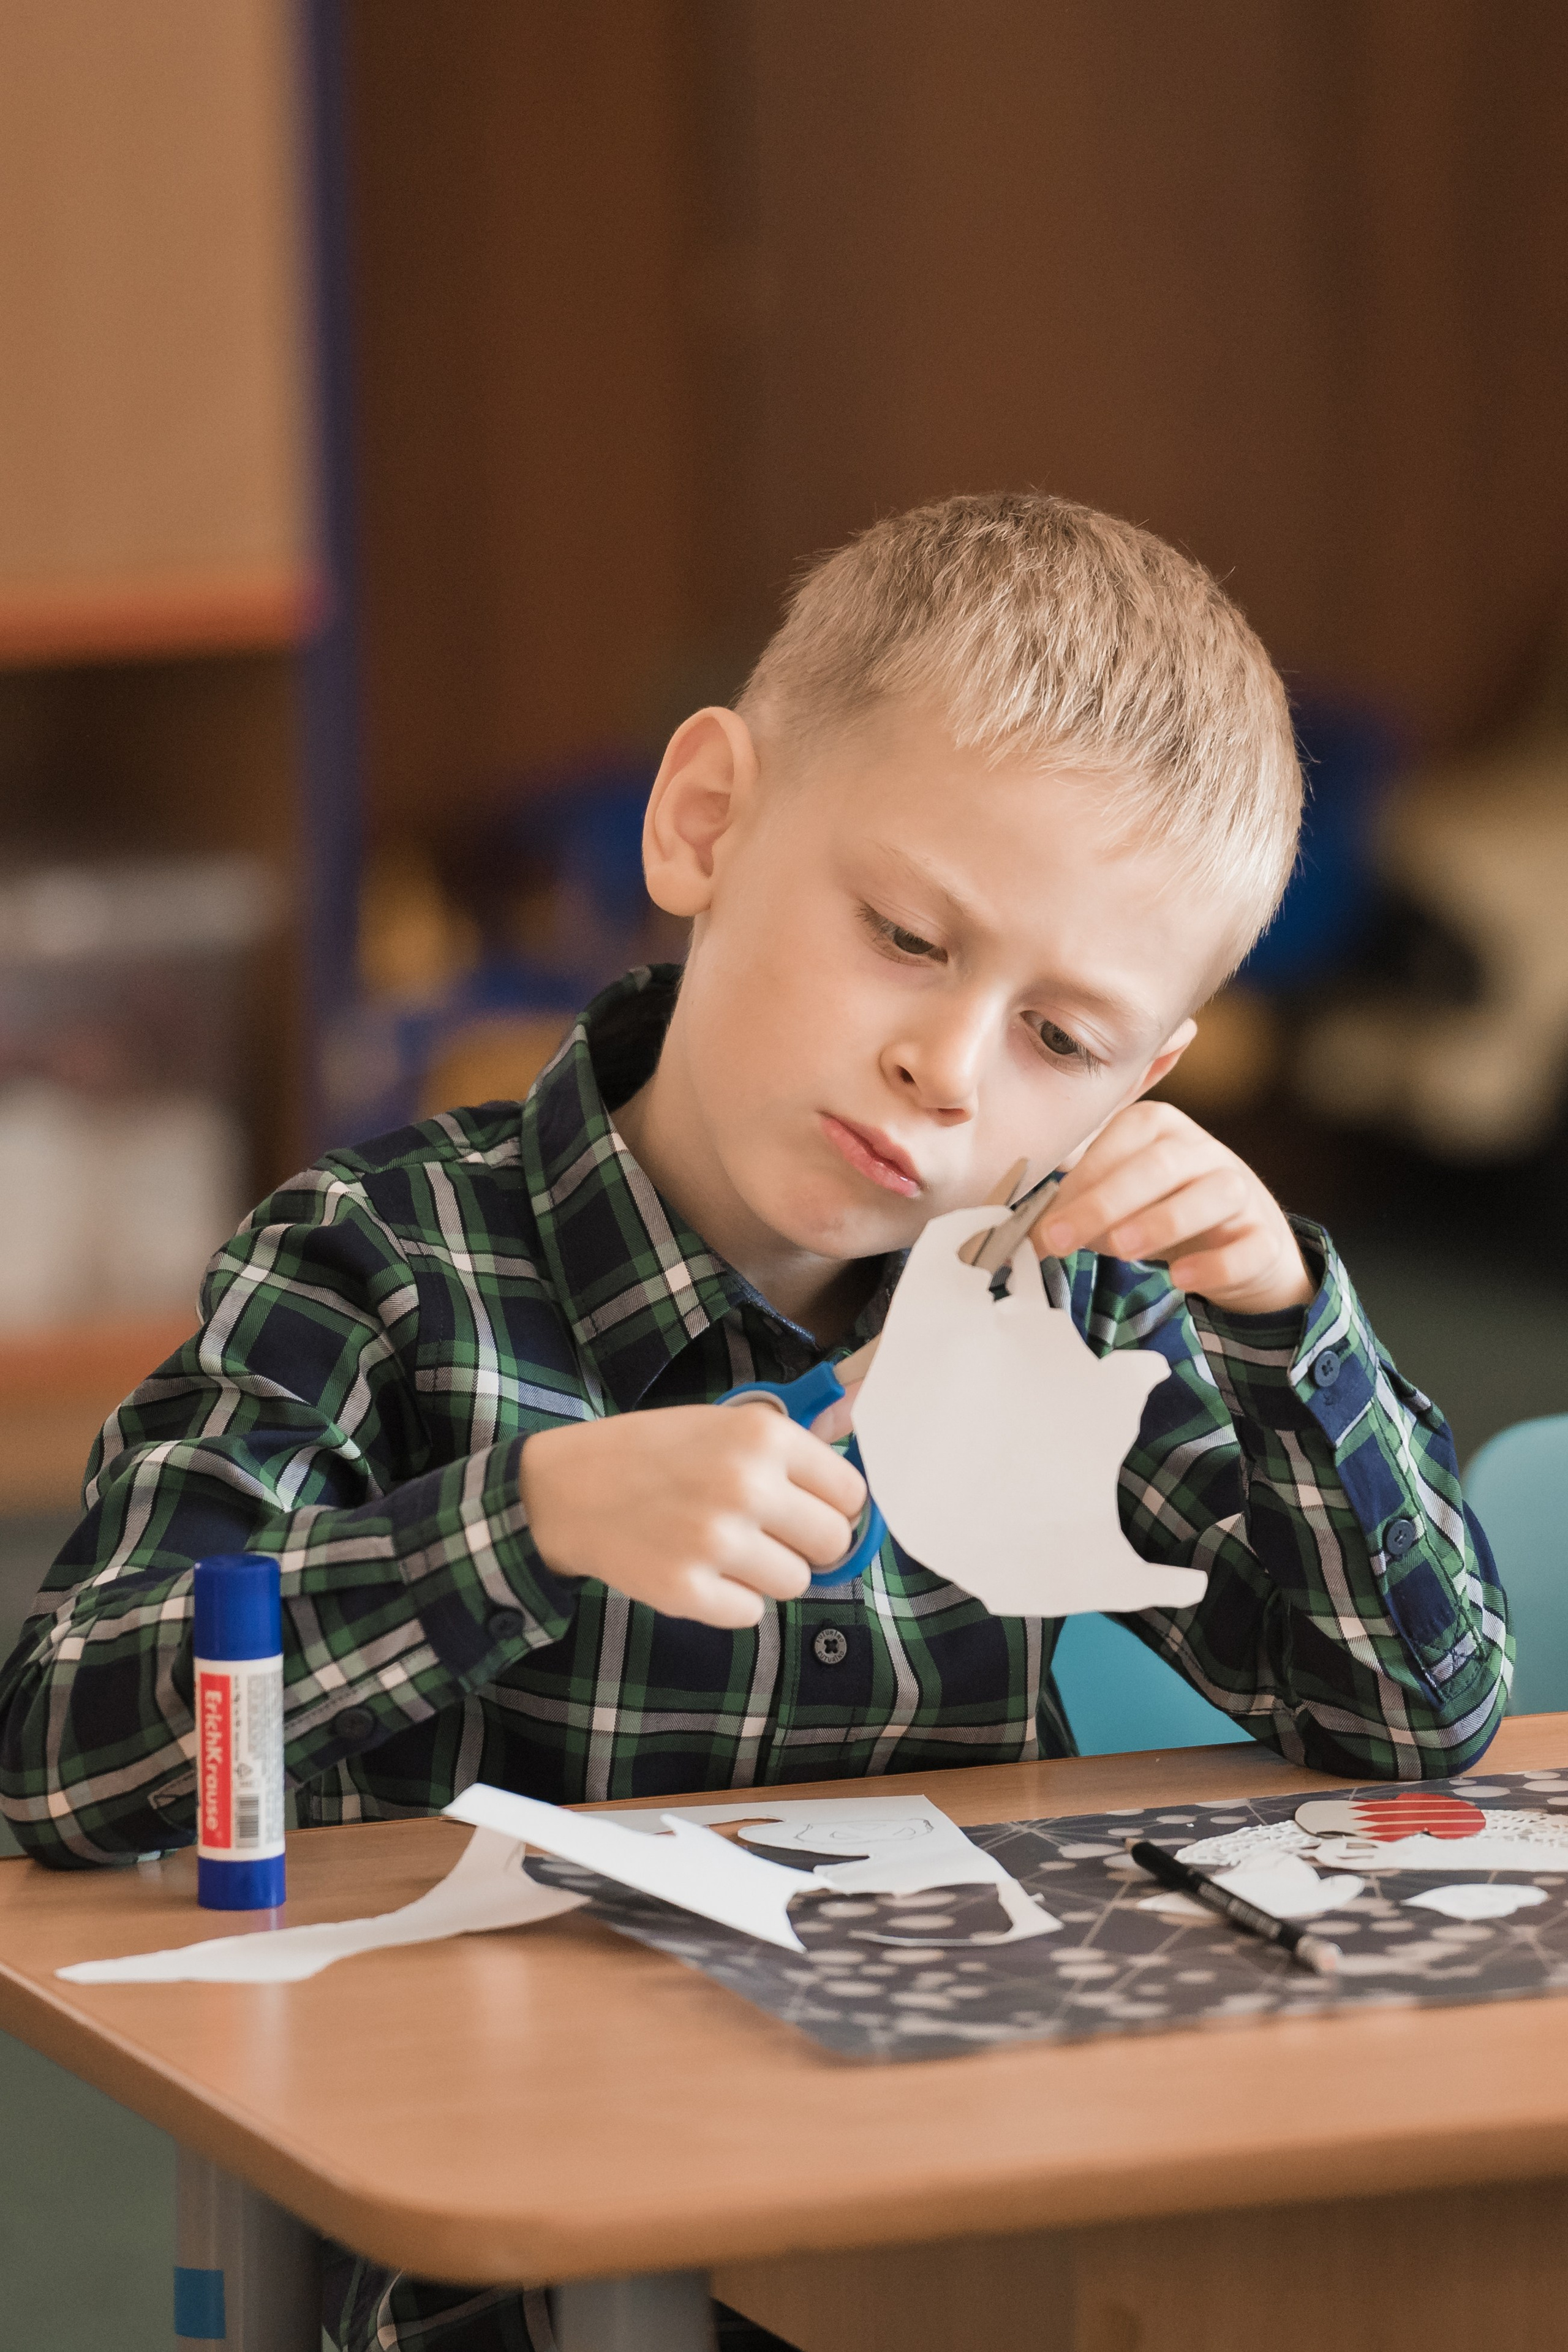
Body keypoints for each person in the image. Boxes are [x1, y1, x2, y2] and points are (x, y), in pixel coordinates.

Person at [0, 494, 1510, 2352]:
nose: (946, 1073)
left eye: (1064, 1042)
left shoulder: (1080, 1312)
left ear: (1153, 1077)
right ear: (707, 821)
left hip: (955, 2211)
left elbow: (1409, 1717)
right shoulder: (379, 1265)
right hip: (517, 2252)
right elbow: (67, 1761)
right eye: (904, 936)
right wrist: (522, 1524)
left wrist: (1286, 1326)